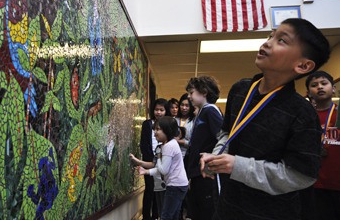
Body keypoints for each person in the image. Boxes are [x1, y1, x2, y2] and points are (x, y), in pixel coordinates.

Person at [200, 18, 331, 220]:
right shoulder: (240, 89)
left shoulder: (302, 113)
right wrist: (217, 155)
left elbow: (301, 176)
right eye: (271, 35)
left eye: (282, 40)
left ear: (303, 65)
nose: (267, 42)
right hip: (228, 205)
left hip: (271, 213)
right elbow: (227, 132)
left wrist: (237, 166)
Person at [132, 116, 189, 220]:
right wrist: (146, 171)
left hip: (175, 186)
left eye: (158, 129)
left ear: (167, 130)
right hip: (180, 184)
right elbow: (163, 169)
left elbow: (163, 170)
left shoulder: (168, 146)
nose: (155, 133)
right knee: (173, 216)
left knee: (166, 216)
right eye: (154, 129)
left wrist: (158, 157)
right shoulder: (170, 144)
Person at [185, 76, 223, 220]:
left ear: (204, 92)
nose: (189, 97)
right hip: (197, 172)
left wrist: (211, 159)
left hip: (206, 172)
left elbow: (222, 138)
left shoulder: (211, 111)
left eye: (191, 92)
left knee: (207, 212)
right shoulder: (201, 112)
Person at [305, 70, 339, 219]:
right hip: (313, 184)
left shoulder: (339, 114)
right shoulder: (304, 117)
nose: (319, 87)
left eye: (324, 83)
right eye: (314, 85)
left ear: (333, 89)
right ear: (308, 93)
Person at [140, 98, 169, 220]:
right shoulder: (147, 124)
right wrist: (151, 161)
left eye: (161, 110)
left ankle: (157, 216)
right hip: (149, 162)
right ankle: (146, 216)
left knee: (160, 190)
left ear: (165, 111)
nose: (159, 112)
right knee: (149, 189)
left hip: (163, 162)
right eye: (156, 109)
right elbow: (144, 144)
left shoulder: (167, 125)